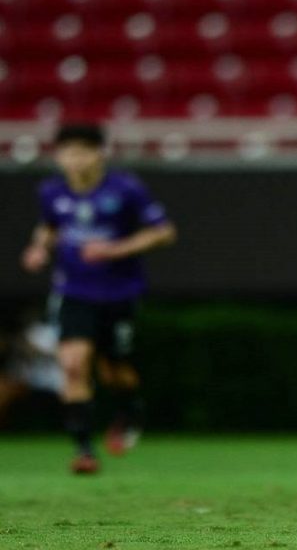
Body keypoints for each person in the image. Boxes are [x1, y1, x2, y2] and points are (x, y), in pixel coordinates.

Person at [21, 123, 177, 474]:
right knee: (73, 364)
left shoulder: (126, 189)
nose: (74, 160)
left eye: (82, 152)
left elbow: (164, 232)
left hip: (119, 292)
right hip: (73, 291)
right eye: (67, 153)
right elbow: (49, 225)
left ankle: (131, 408)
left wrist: (115, 249)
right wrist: (39, 248)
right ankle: (84, 450)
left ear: (99, 154)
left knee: (113, 371)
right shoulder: (51, 191)